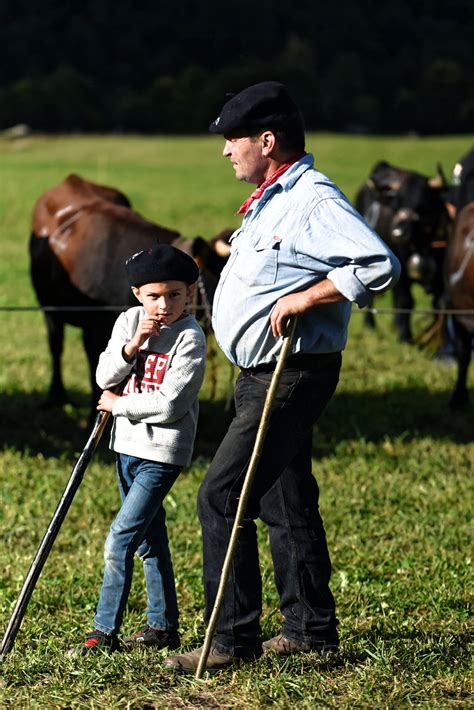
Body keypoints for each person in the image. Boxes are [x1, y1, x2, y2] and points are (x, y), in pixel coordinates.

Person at [164, 81, 401, 674]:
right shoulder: (273, 199)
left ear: (266, 141)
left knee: (221, 495)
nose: (226, 151)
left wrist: (307, 299)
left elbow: (377, 263)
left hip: (291, 371)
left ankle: (231, 639)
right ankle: (311, 630)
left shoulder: (313, 200)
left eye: (233, 139)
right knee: (284, 496)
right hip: (262, 371)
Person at [74, 244, 207, 655]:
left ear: (190, 293)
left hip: (162, 453)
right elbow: (104, 375)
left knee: (120, 540)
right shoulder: (129, 321)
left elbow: (170, 405)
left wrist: (119, 406)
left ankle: (103, 631)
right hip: (125, 447)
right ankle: (163, 627)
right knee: (151, 539)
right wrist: (133, 345)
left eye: (174, 295)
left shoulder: (191, 337)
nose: (163, 305)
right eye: (153, 296)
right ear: (137, 294)